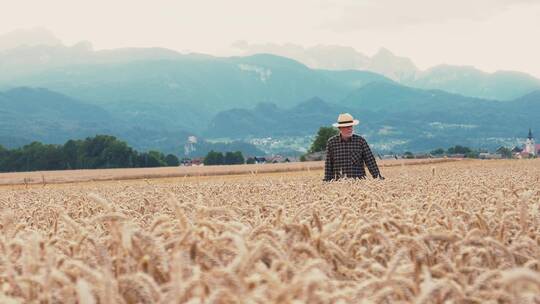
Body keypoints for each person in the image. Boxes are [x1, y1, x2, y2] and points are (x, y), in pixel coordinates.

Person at [324, 113, 384, 181]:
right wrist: (327, 182)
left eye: (351, 126)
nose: (350, 129)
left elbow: (370, 161)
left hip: (359, 184)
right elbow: (328, 165)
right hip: (338, 185)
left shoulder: (360, 141)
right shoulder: (331, 142)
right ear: (340, 128)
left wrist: (378, 178)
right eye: (346, 127)